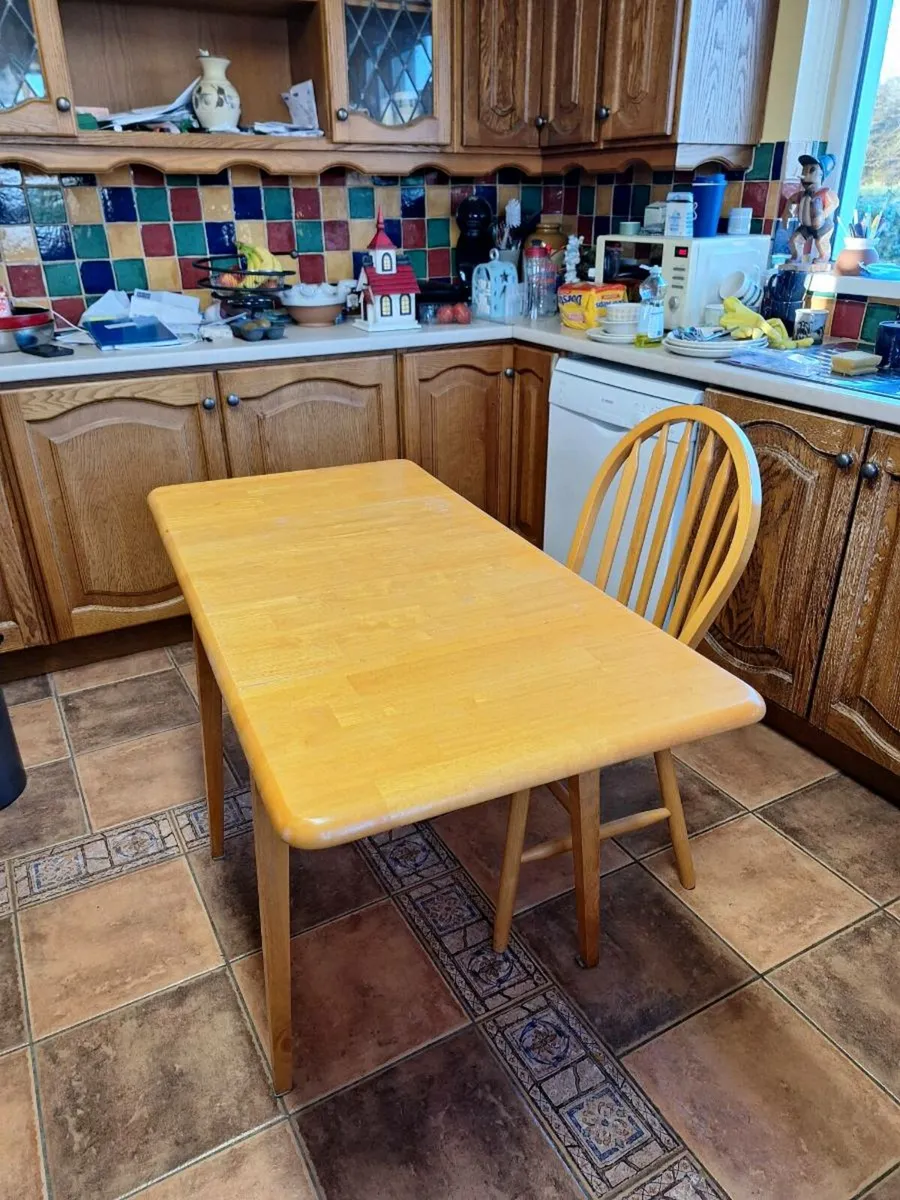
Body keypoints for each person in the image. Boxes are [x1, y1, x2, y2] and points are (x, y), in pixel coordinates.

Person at [783, 153, 840, 264]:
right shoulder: (801, 195)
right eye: (804, 171)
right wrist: (787, 214)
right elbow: (791, 200)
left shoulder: (824, 193)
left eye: (811, 171)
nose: (804, 176)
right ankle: (796, 257)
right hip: (806, 226)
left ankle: (824, 257)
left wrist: (823, 215)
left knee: (820, 242)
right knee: (795, 239)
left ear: (821, 175)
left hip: (823, 226)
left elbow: (835, 202)